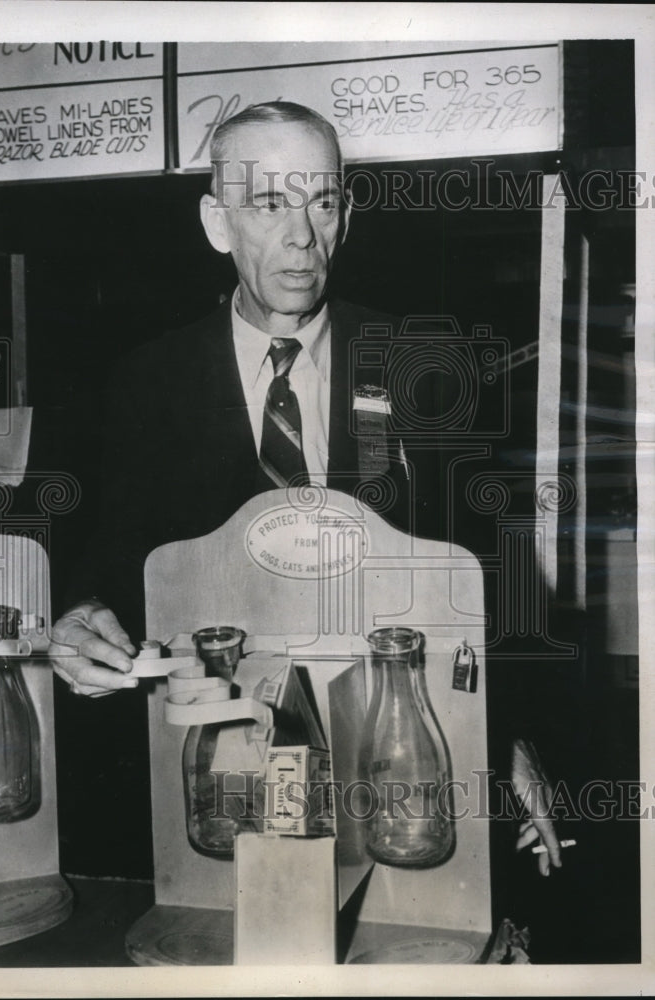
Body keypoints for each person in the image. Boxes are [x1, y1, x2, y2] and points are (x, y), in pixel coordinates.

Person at [49, 101, 562, 876]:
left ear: (346, 216)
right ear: (218, 223)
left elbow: (488, 573)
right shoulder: (145, 381)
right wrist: (83, 615)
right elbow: (115, 554)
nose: (301, 236)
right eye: (268, 202)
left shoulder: (424, 363)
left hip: (389, 767)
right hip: (217, 771)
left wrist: (512, 738)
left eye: (322, 201)